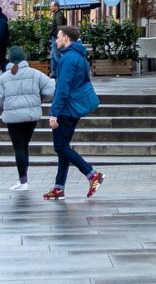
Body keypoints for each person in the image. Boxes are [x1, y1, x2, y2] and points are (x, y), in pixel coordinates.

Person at [44, 26, 103, 201]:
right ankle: (58, 188)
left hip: (66, 108)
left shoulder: (68, 59)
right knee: (64, 148)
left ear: (67, 38)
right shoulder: (79, 56)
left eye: (59, 37)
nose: (56, 40)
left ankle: (92, 174)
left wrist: (54, 112)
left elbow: (62, 87)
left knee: (60, 147)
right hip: (74, 107)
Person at [0, 51, 55, 191]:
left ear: (10, 60)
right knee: (25, 145)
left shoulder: (4, 77)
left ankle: (23, 181)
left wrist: (6, 105)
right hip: (31, 116)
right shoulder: (35, 73)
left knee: (19, 147)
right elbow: (50, 89)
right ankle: (23, 180)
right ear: (24, 58)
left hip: (13, 118)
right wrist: (41, 99)